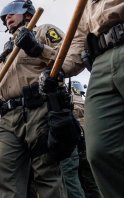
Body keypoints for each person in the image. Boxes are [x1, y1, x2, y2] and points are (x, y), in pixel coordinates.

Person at [0, 0, 84, 196]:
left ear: (28, 14)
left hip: (39, 108)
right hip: (8, 117)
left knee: (46, 173)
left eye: (12, 12)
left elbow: (69, 59)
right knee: (5, 176)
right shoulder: (6, 51)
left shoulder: (44, 31)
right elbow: (4, 84)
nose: (7, 18)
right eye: (5, 16)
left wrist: (38, 49)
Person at [62, 1, 124, 197]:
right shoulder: (86, 4)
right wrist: (55, 71)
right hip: (101, 61)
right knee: (100, 150)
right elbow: (78, 43)